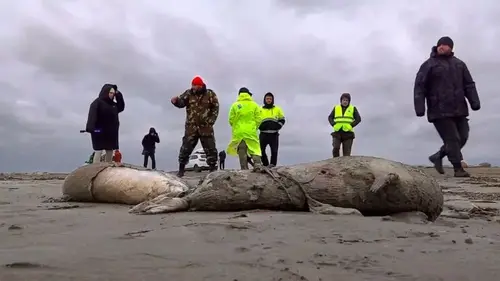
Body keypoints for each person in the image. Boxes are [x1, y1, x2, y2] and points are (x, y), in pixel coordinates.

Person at [414, 36, 480, 177]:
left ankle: (438, 156)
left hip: (459, 109)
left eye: (445, 45)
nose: (441, 47)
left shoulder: (460, 64)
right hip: (438, 110)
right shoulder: (428, 65)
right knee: (452, 139)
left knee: (463, 136)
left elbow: (469, 84)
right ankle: (458, 169)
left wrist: (474, 101)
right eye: (439, 45)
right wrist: (420, 107)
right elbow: (420, 86)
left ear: (451, 48)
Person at [171, 76, 219, 177]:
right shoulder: (188, 93)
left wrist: (210, 121)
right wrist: (175, 102)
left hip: (205, 127)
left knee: (210, 148)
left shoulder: (210, 94)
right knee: (185, 148)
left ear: (200, 85)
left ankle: (212, 169)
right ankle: (181, 170)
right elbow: (181, 103)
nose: (193, 87)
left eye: (195, 85)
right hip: (191, 127)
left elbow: (215, 107)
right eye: (192, 85)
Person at [86, 84, 125, 163]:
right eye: (110, 93)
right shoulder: (97, 103)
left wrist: (118, 94)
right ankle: (95, 168)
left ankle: (108, 167)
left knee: (109, 150)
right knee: (98, 150)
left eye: (113, 93)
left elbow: (121, 107)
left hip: (111, 132)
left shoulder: (113, 105)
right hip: (99, 131)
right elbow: (92, 116)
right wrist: (91, 129)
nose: (112, 95)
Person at [227, 87, 263, 170]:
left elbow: (231, 120)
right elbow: (259, 119)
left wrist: (236, 127)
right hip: (251, 132)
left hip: (239, 133)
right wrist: (254, 127)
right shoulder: (254, 105)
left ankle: (244, 169)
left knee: (242, 151)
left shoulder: (235, 105)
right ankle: (257, 165)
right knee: (255, 149)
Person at [327, 93, 361, 157]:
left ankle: (345, 166)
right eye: (344, 100)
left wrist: (351, 125)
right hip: (337, 132)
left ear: (349, 101)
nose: (345, 102)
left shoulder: (353, 108)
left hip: (348, 133)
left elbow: (358, 119)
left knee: (346, 154)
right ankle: (335, 163)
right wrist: (333, 124)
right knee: (336, 148)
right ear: (341, 101)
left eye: (346, 100)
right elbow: (330, 117)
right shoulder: (336, 108)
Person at [259, 92, 285, 168]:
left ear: (272, 100)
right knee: (261, 151)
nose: (269, 100)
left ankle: (273, 165)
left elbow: (282, 119)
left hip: (274, 134)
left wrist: (277, 126)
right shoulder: (259, 109)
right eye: (267, 98)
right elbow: (255, 120)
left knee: (274, 151)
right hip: (263, 134)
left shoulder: (277, 109)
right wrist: (259, 126)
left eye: (270, 99)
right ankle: (266, 164)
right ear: (264, 99)